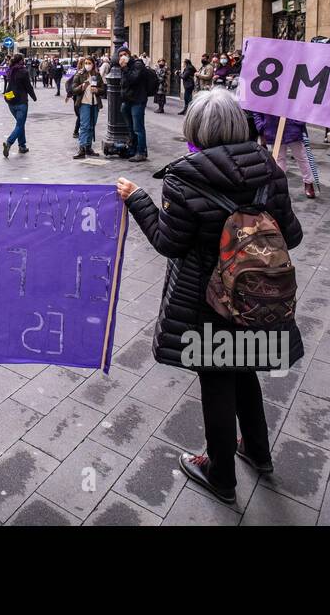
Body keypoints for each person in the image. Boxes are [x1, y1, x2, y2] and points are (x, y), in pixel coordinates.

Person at [116, 88, 303, 504]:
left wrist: (139, 200)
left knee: (218, 378)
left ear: (195, 130)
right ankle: (257, 450)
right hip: (259, 298)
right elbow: (293, 235)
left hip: (210, 301)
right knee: (247, 366)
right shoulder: (270, 170)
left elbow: (169, 242)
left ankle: (220, 472)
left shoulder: (185, 177)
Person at [253, 112, 319, 199]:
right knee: (279, 159)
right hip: (273, 127)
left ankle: (308, 183)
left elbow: (301, 105)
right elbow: (257, 107)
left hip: (292, 127)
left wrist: (299, 121)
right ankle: (281, 185)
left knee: (301, 157)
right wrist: (261, 126)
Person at [68, 56, 105, 159]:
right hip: (84, 103)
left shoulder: (97, 75)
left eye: (90, 63)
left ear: (93, 64)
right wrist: (81, 87)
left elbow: (103, 89)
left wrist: (97, 90)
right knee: (84, 126)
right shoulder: (79, 74)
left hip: (94, 103)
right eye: (86, 63)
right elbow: (73, 89)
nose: (88, 65)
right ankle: (82, 149)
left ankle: (88, 147)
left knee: (92, 125)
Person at [1, 52, 36, 157]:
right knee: (20, 125)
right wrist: (34, 97)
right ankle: (9, 143)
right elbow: (28, 87)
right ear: (21, 60)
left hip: (11, 101)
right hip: (21, 102)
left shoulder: (9, 70)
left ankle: (22, 146)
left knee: (20, 124)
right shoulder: (23, 72)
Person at [118, 47, 149, 162]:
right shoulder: (123, 67)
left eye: (124, 54)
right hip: (128, 100)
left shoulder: (137, 64)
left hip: (138, 100)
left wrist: (125, 68)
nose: (122, 57)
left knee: (138, 128)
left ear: (129, 54)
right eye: (120, 55)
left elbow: (133, 79)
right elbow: (124, 83)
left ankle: (141, 152)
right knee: (130, 128)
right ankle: (133, 149)